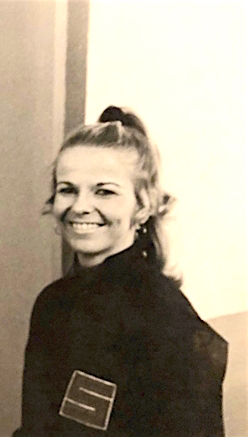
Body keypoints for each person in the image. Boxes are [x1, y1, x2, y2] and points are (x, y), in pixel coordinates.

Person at [13, 106, 228, 436]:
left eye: (104, 191)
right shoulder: (52, 304)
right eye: (68, 189)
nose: (80, 205)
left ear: (142, 206)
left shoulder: (167, 321)